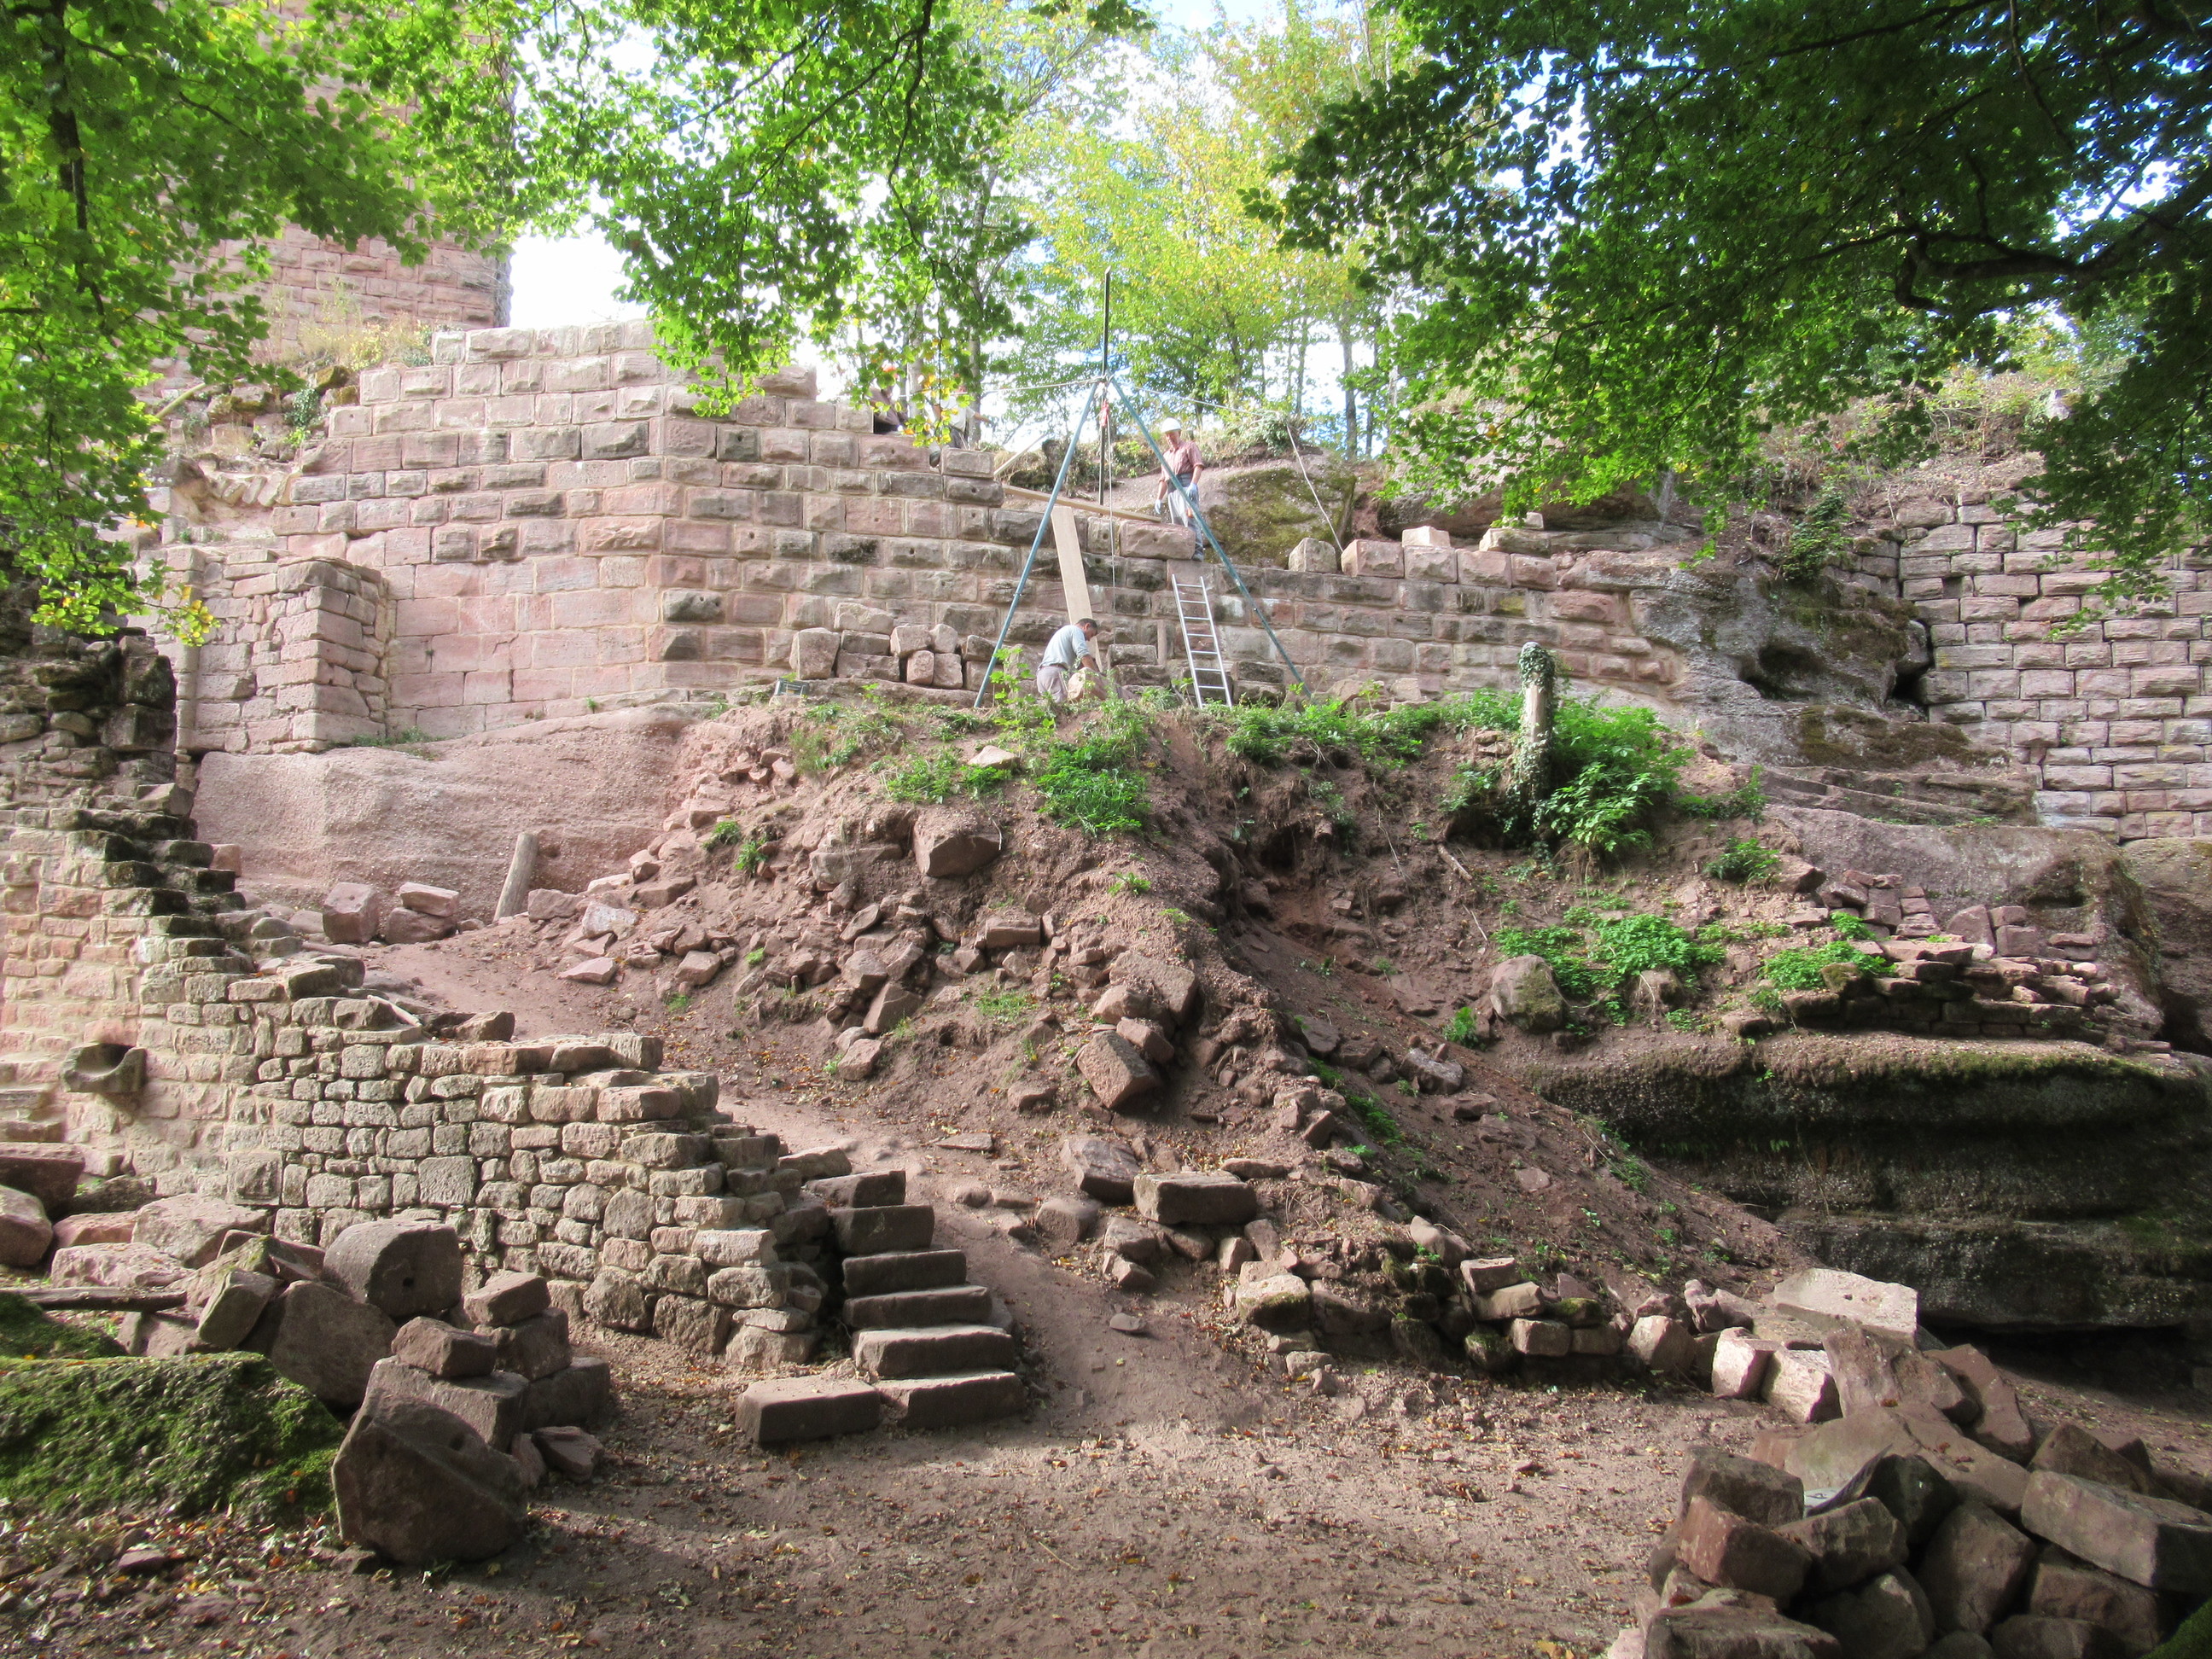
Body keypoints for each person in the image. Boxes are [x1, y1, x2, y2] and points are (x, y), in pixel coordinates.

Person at [1038, 615, 1101, 703]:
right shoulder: (1076, 631)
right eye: (1091, 634)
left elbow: (1079, 664)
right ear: (1087, 626)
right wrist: (1097, 677)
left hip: (1043, 674)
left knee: (1049, 708)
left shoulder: (1063, 632)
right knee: (1061, 706)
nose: (1089, 639)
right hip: (1056, 673)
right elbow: (1083, 654)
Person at [1153, 419, 1203, 528]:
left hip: (1186, 489)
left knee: (1190, 523)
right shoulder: (1166, 456)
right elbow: (1163, 479)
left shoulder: (1189, 447)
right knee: (1177, 526)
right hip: (1172, 493)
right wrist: (1159, 499)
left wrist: (1193, 485)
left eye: (1172, 434)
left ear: (1179, 433)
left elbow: (1198, 466)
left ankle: (1196, 541)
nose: (1169, 438)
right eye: (1167, 435)